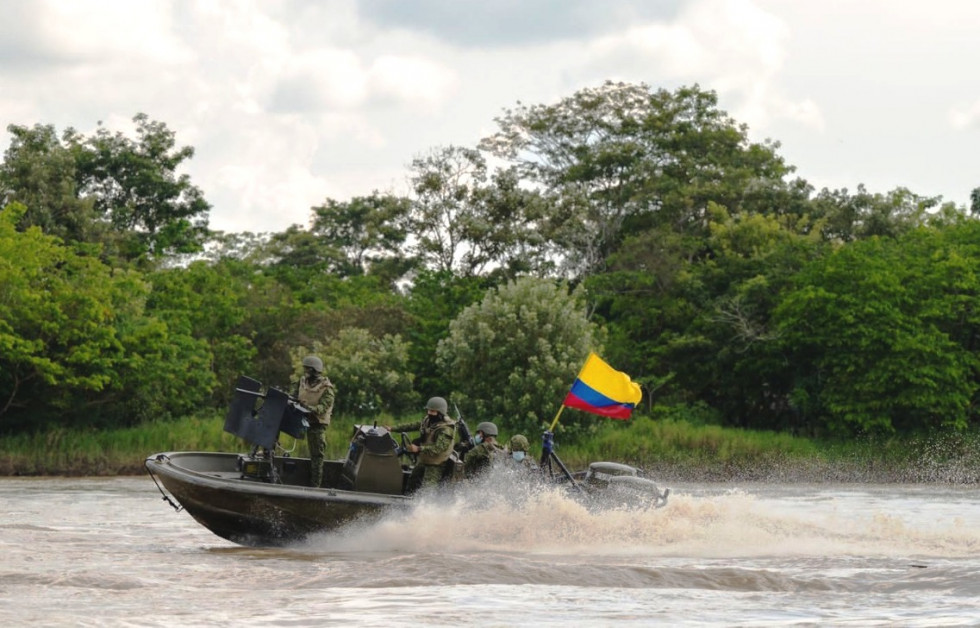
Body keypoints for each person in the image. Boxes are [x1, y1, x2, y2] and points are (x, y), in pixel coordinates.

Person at [389, 397, 457, 493]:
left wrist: (418, 449)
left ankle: (426, 506)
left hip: (435, 465)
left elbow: (439, 448)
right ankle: (407, 499)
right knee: (412, 480)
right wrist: (393, 428)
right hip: (424, 460)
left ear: (440, 412)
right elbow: (413, 425)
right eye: (428, 410)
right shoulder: (428, 421)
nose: (429, 413)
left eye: (433, 411)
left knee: (428, 490)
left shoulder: (445, 429)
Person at [295, 355, 335, 488]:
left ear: (314, 370)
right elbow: (294, 395)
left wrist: (307, 408)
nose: (305, 372)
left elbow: (322, 408)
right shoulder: (302, 382)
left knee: (317, 457)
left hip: (316, 424)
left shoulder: (327, 389)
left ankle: (315, 487)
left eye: (307, 369)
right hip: (299, 419)